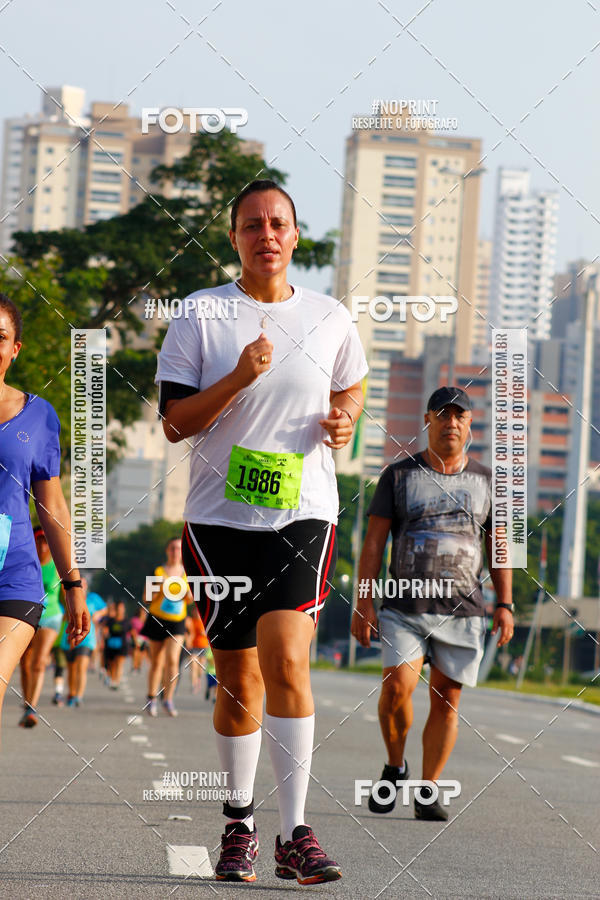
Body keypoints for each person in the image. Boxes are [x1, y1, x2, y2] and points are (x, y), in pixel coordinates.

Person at [156, 179, 368, 884]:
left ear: (295, 236)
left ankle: (295, 831)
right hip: (220, 521)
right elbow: (175, 421)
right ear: (234, 237)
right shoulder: (201, 314)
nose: (266, 234)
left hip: (304, 512)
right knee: (239, 677)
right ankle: (239, 824)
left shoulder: (329, 315)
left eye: (278, 223)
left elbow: (351, 387)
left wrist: (346, 419)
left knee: (288, 658)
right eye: (252, 224)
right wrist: (241, 377)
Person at [352, 386, 514, 821]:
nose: (451, 423)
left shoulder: (486, 481)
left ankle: (429, 789)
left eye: (459, 416)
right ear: (428, 421)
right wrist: (363, 603)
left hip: (463, 609)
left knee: (447, 698)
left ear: (470, 425)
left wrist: (506, 604)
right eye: (443, 415)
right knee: (396, 688)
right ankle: (394, 765)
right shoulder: (399, 475)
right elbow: (373, 544)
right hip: (404, 609)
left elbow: (499, 548)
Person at [0, 293, 89, 742]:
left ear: (15, 349)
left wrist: (72, 582)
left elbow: (51, 505)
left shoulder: (38, 416)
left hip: (13, 576)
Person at [141, 537, 192, 717]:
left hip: (177, 621)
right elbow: (146, 597)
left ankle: (168, 699)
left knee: (172, 659)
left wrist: (184, 590)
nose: (175, 552)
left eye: (178, 549)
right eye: (172, 548)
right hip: (157, 619)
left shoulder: (187, 573)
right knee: (157, 662)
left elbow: (191, 599)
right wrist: (160, 587)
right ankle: (151, 698)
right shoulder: (158, 571)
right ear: (167, 551)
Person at [18, 526, 64, 727]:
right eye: (40, 540)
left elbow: (67, 593)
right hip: (26, 616)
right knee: (25, 663)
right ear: (34, 541)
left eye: (47, 541)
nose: (44, 545)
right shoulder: (25, 562)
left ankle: (32, 708)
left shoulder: (57, 565)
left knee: (38, 661)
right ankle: (28, 701)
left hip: (51, 617)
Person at [60, 578, 106, 706]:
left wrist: (98, 614)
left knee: (81, 667)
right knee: (71, 668)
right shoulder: (67, 596)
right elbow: (62, 613)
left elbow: (104, 609)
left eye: (83, 584)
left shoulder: (92, 598)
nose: (81, 586)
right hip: (69, 636)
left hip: (87, 638)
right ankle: (72, 693)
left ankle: (78, 696)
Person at [103, 600, 132, 689]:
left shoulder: (126, 621)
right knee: (112, 664)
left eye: (122, 608)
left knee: (119, 663)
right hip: (111, 645)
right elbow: (105, 629)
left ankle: (116, 681)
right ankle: (112, 678)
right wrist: (105, 634)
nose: (120, 610)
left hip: (122, 645)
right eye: (118, 608)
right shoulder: (110, 621)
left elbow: (132, 632)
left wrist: (135, 642)